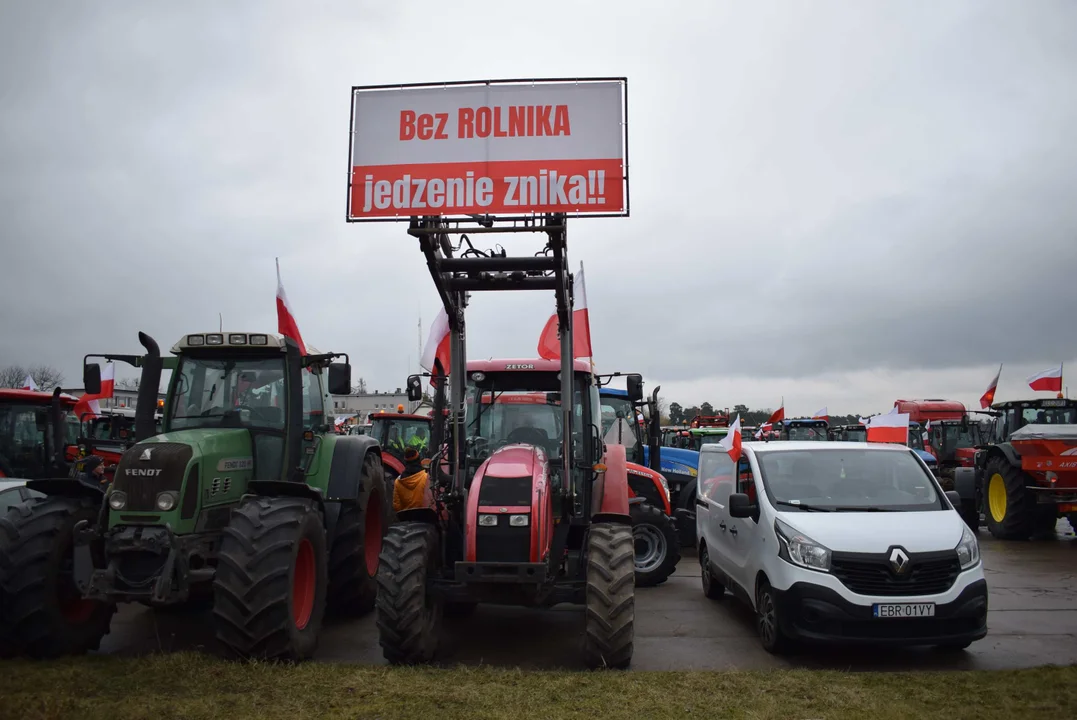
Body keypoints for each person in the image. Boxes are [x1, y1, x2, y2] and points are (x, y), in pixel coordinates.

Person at [393, 447, 433, 512]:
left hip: (407, 518)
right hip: (425, 516)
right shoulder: (426, 478)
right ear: (418, 460)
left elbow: (397, 506)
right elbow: (431, 501)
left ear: (406, 462)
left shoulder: (398, 481)